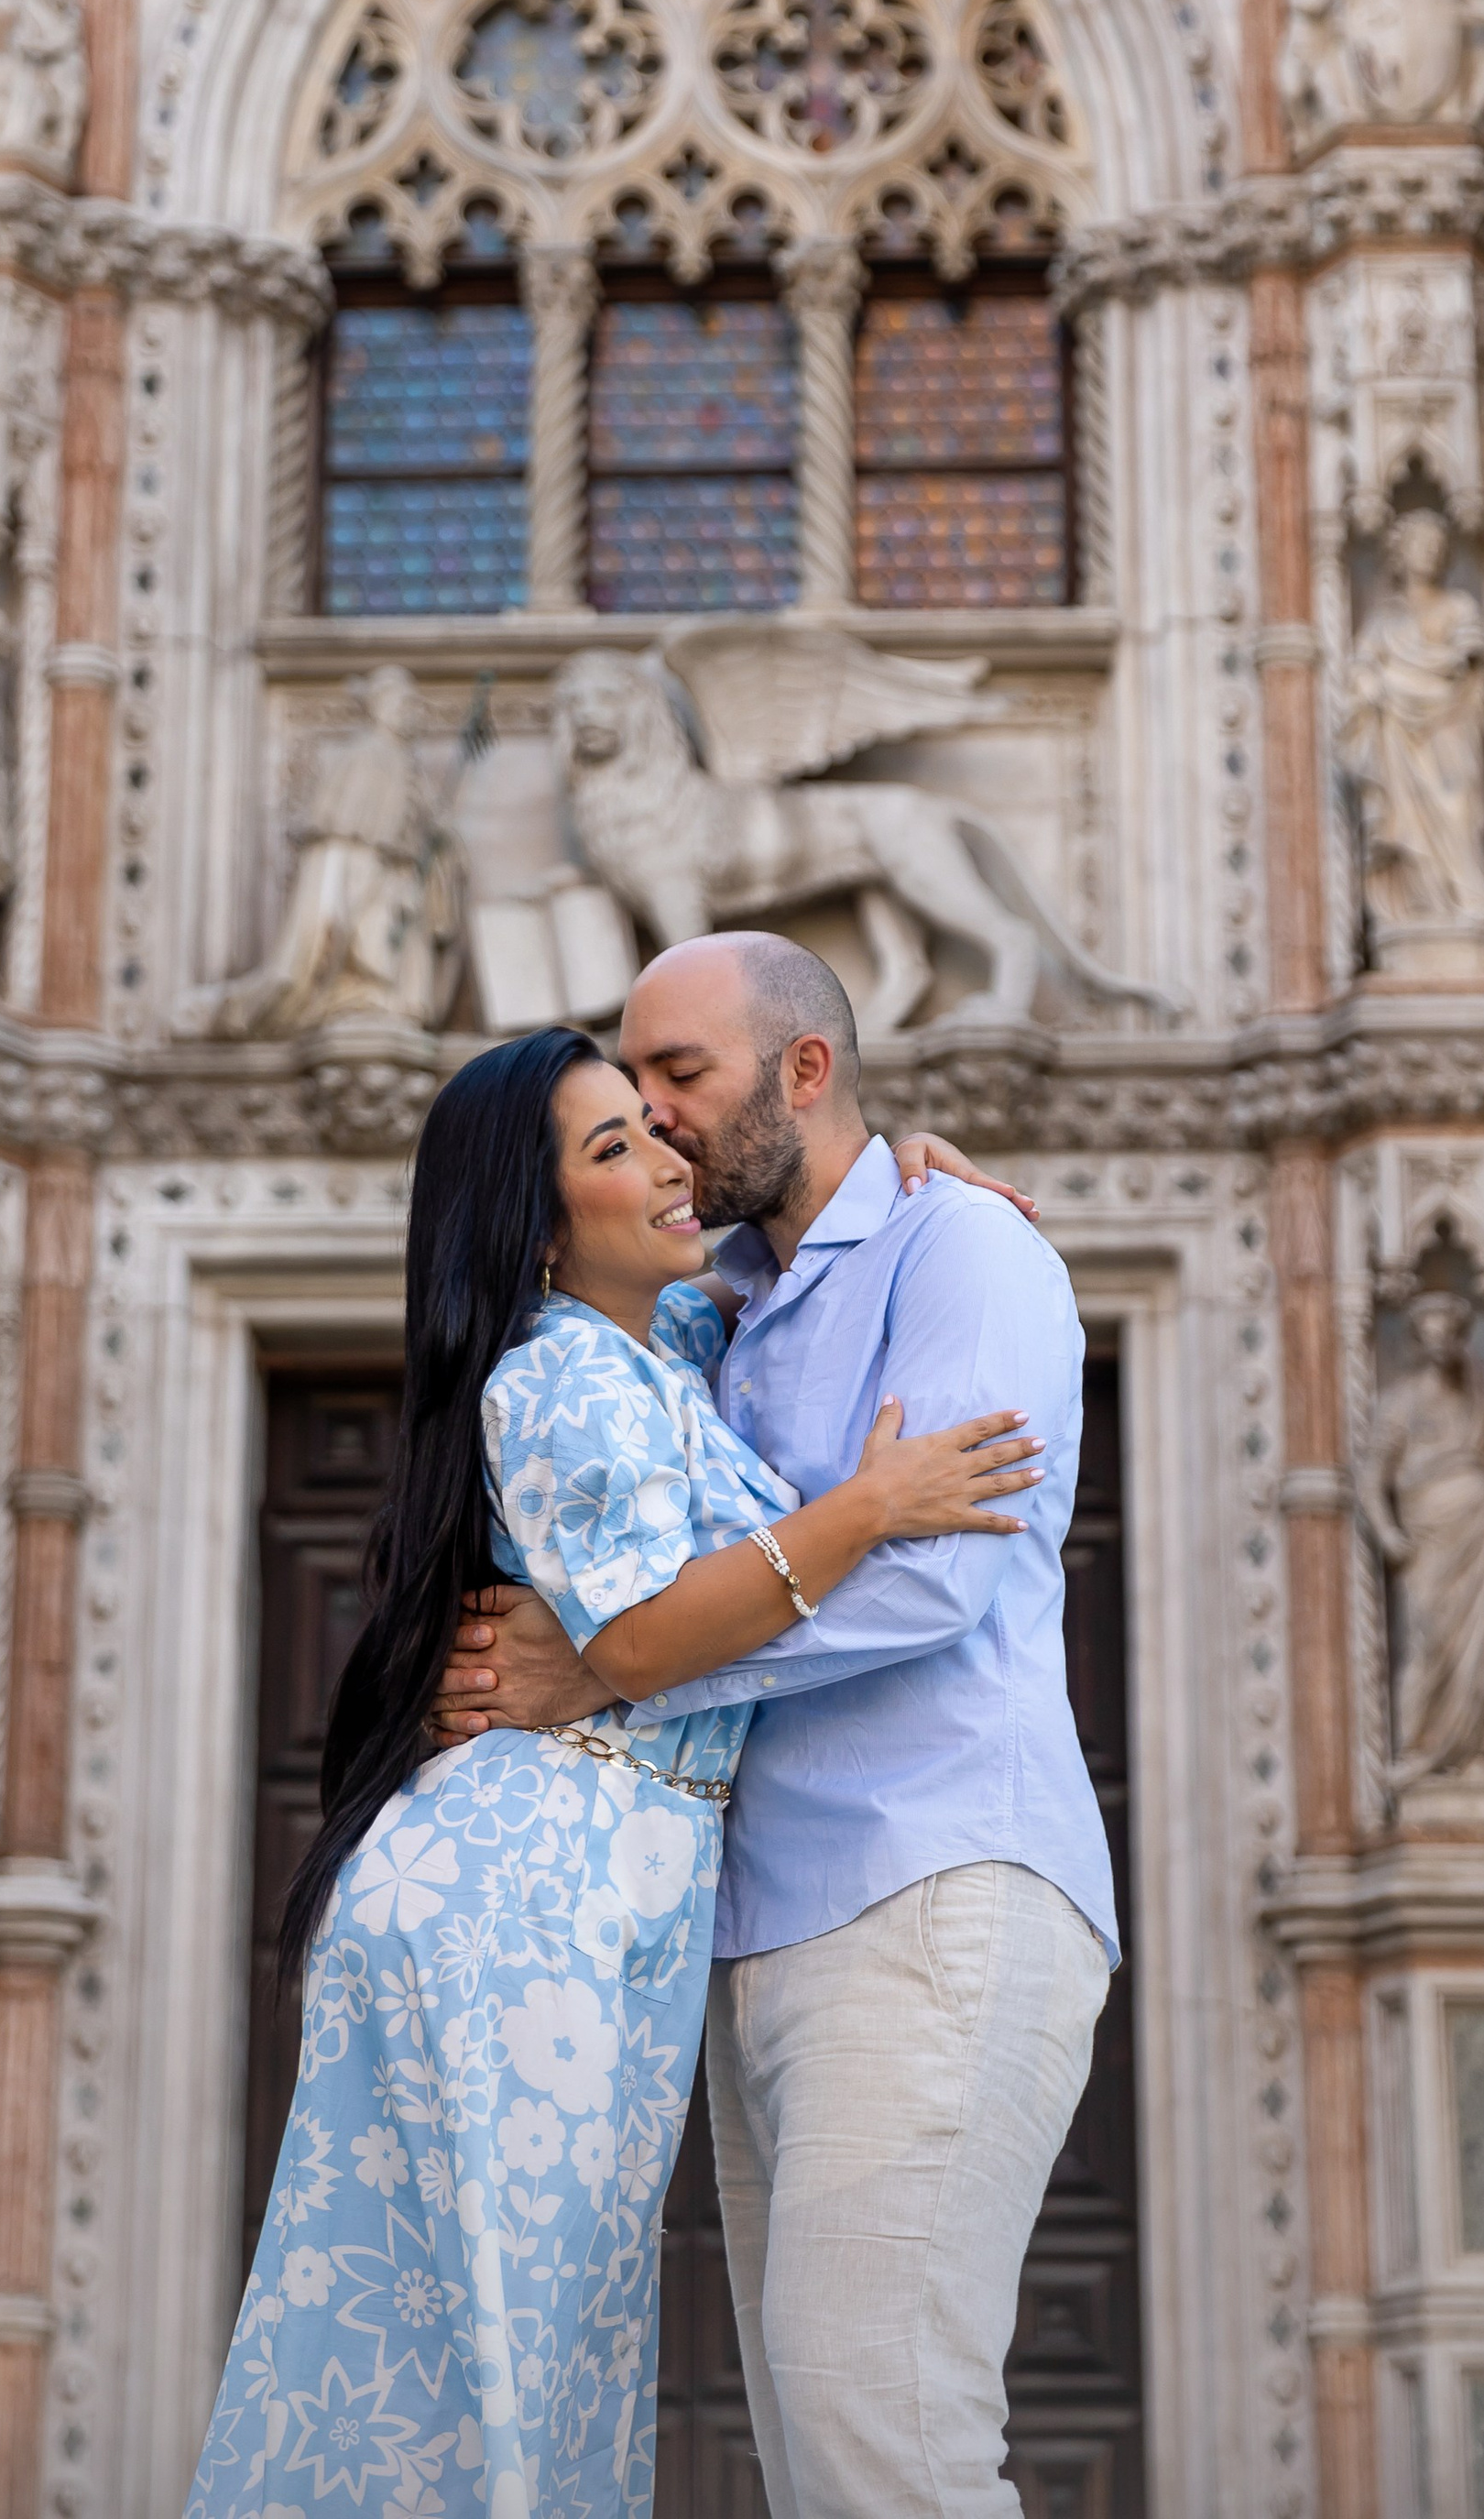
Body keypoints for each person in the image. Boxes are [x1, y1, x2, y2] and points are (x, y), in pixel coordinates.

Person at [187, 1025, 1041, 2519]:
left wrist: (921, 1182)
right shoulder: (561, 1379)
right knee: (502, 2359)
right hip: (521, 1907)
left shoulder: (671, 1348)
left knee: (532, 2354)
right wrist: (869, 1509)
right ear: (535, 1229)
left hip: (600, 1899)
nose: (662, 1158)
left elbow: (811, 1238)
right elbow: (642, 1634)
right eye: (613, 1148)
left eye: (657, 1128)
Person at [436, 933, 1118, 2519]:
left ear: (804, 1072)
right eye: (636, 1086)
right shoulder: (709, 1308)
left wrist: (610, 1667)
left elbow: (935, 1587)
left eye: (682, 1076)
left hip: (933, 1888)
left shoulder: (966, 1257)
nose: (655, 1118)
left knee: (889, 2439)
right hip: (756, 1938)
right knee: (829, 2451)